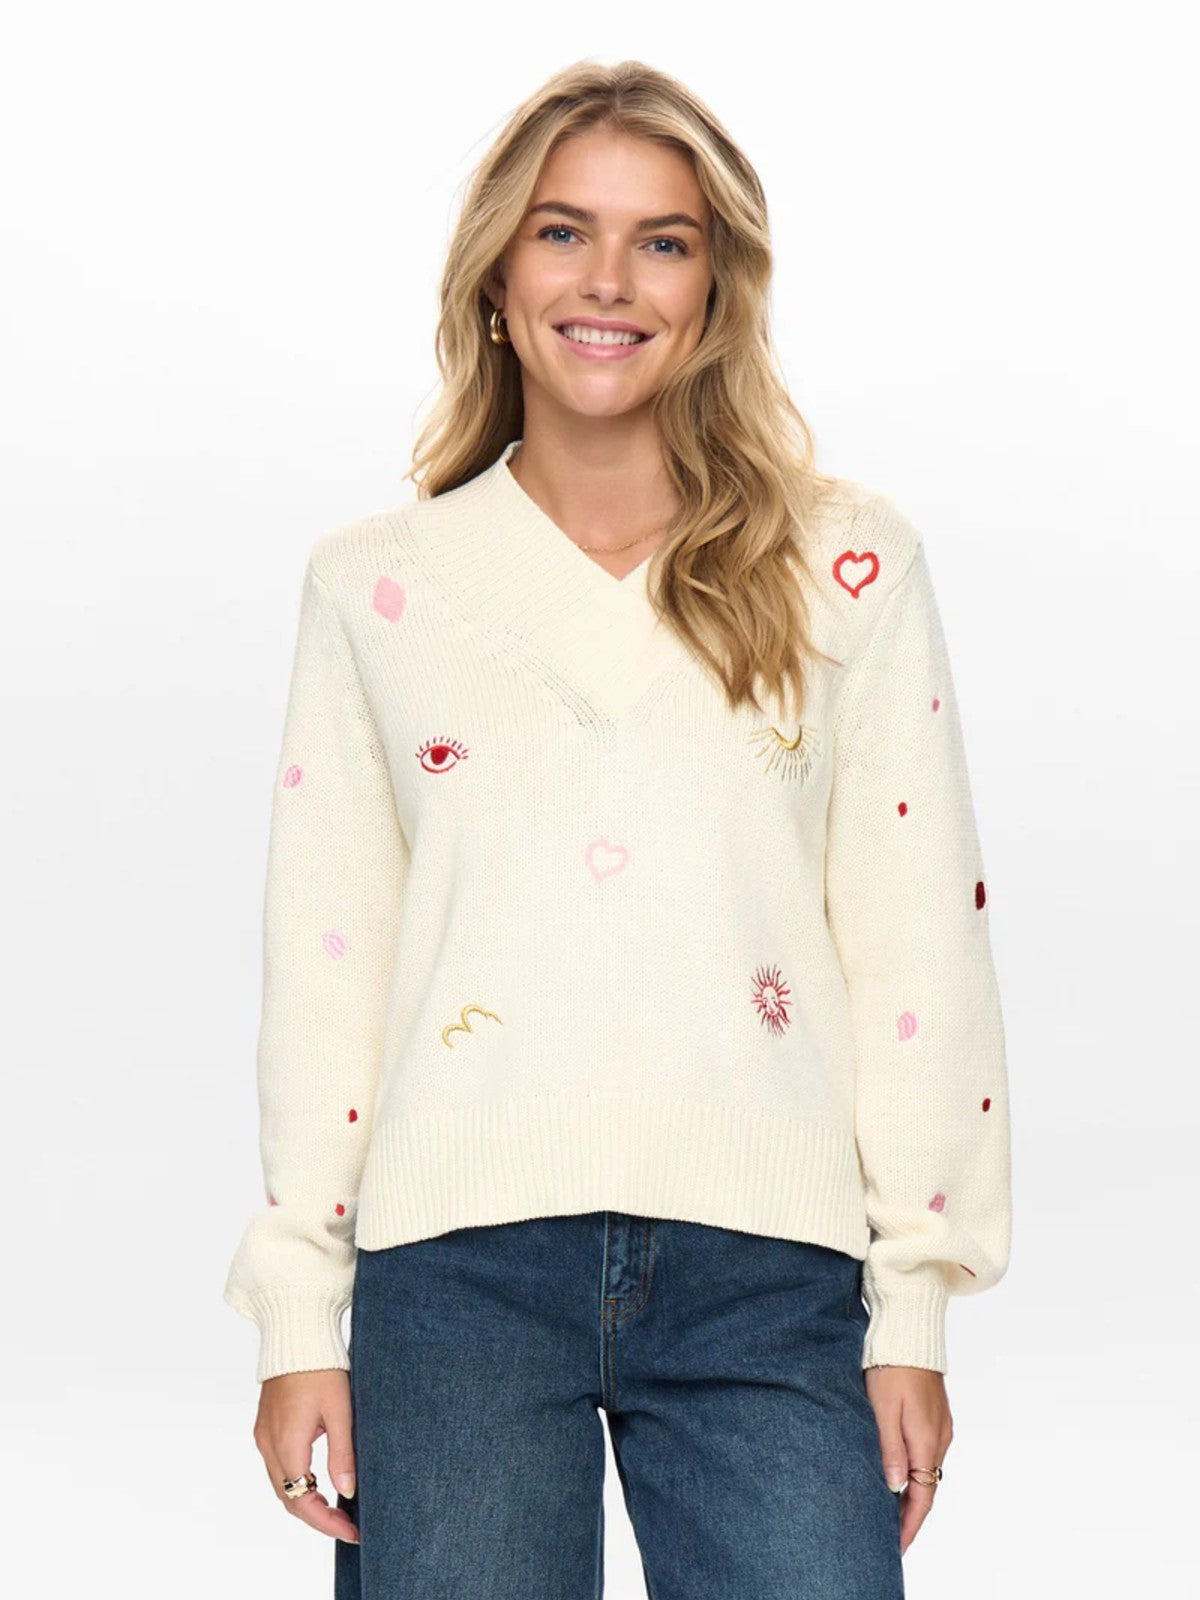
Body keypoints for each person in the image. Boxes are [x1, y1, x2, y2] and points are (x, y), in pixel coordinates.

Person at [222, 58, 1012, 1599]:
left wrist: (913, 1306)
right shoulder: (378, 587)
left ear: (716, 288)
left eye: (663, 241)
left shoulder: (844, 566)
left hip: (770, 1273)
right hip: (454, 1272)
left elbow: (918, 943)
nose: (608, 280)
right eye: (562, 231)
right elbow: (328, 969)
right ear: (498, 276)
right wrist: (299, 1316)